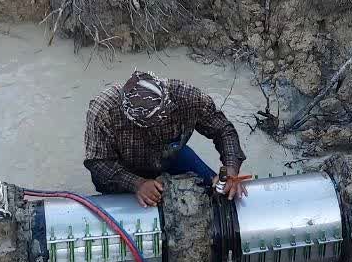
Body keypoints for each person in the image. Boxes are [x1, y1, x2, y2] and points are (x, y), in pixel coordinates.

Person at [83, 70, 249, 206]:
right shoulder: (104, 111)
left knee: (222, 194)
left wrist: (231, 168)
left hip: (171, 156)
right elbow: (98, 163)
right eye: (147, 126)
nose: (156, 128)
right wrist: (136, 183)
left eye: (162, 120)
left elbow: (222, 129)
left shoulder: (186, 97)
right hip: (124, 170)